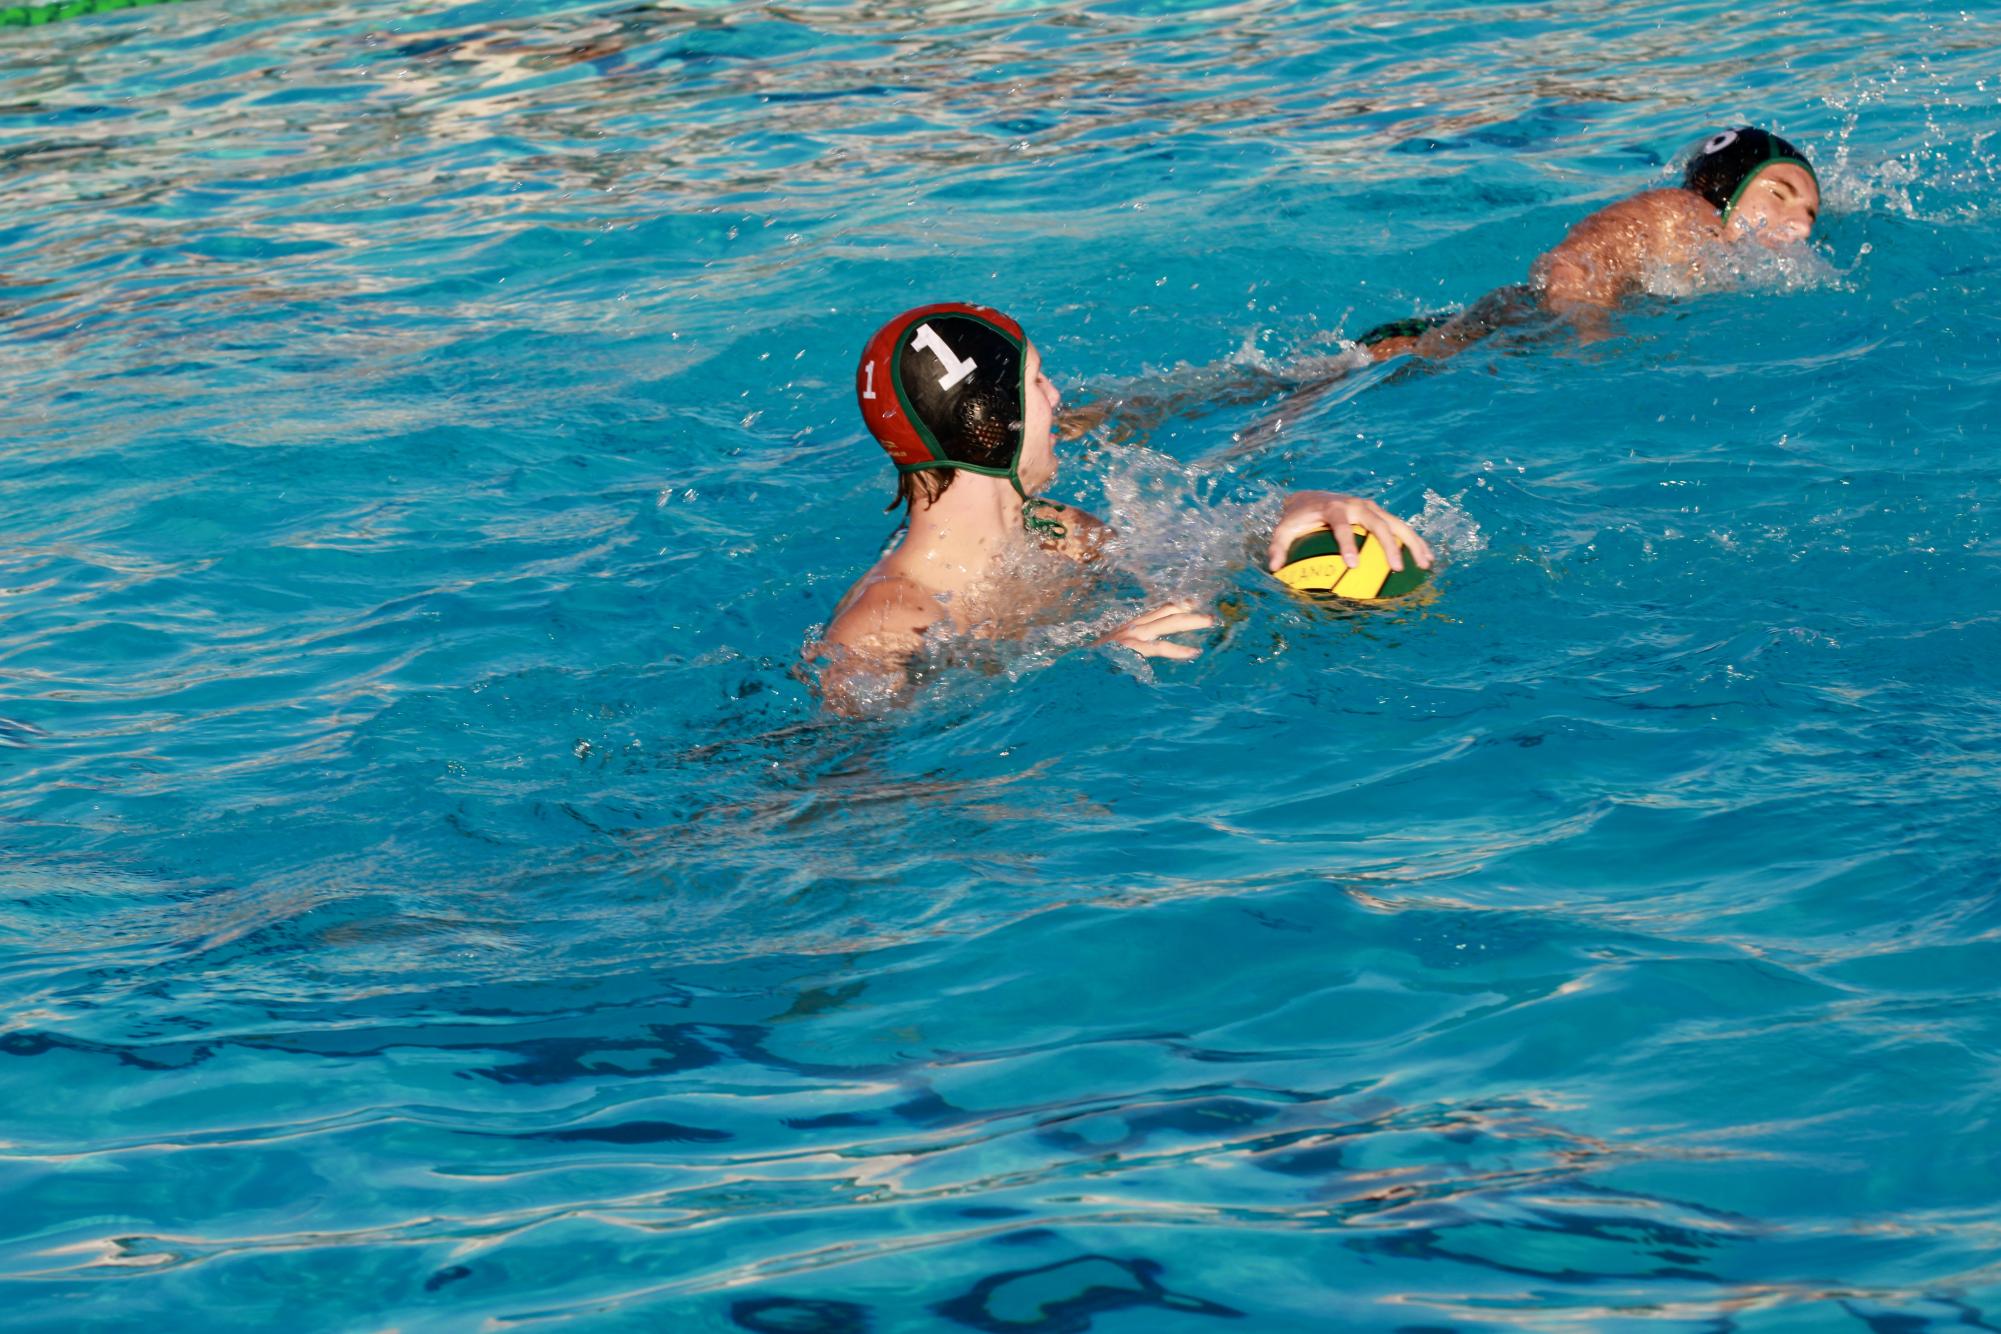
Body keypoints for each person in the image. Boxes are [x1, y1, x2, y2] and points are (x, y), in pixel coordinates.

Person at [810, 302, 1433, 712]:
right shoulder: (887, 622)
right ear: (989, 426)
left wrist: (1296, 510)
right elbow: (857, 784)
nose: (1057, 398)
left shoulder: (1058, 531)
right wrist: (1083, 661)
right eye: (1036, 382)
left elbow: (1197, 560)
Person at [1357, 126, 1821, 361]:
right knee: (1306, 399)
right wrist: (1590, 332)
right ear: (1724, 187)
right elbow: (1574, 263)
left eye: (1810, 215)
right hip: (1427, 343)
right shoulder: (1684, 212)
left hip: (1485, 341)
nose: (1797, 223)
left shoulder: (1726, 265)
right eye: (1779, 193)